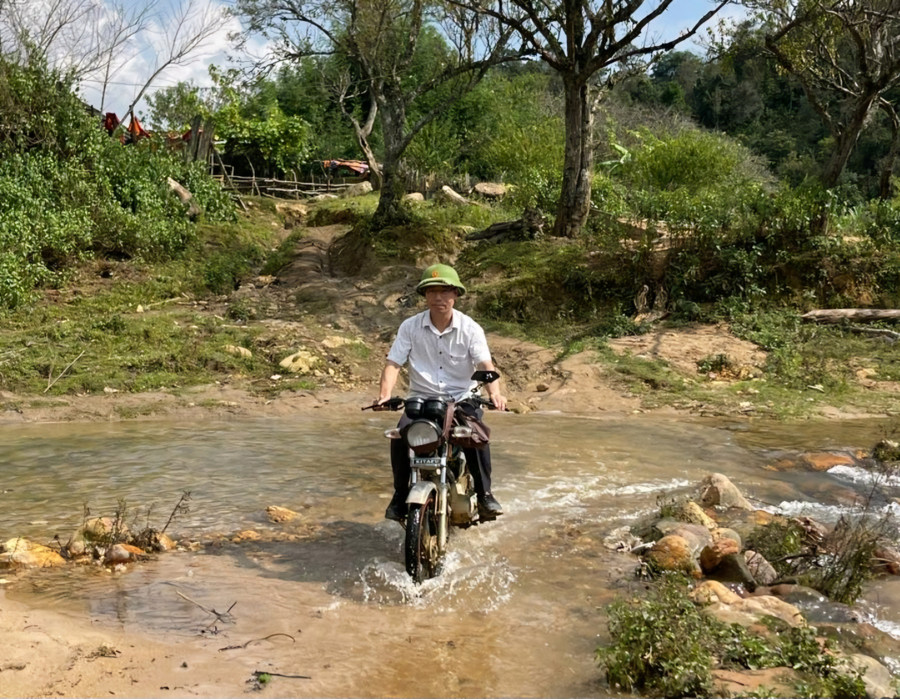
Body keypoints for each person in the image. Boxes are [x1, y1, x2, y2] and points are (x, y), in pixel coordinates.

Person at [375, 263, 507, 522]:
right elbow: (393, 363)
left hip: (462, 399)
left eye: (445, 291)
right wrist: (384, 394)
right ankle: (400, 494)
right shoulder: (410, 327)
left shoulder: (470, 329)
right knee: (401, 435)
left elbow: (485, 365)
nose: (438, 297)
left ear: (456, 294)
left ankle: (485, 495)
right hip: (420, 400)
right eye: (432, 291)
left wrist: (495, 393)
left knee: (475, 436)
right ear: (424, 296)